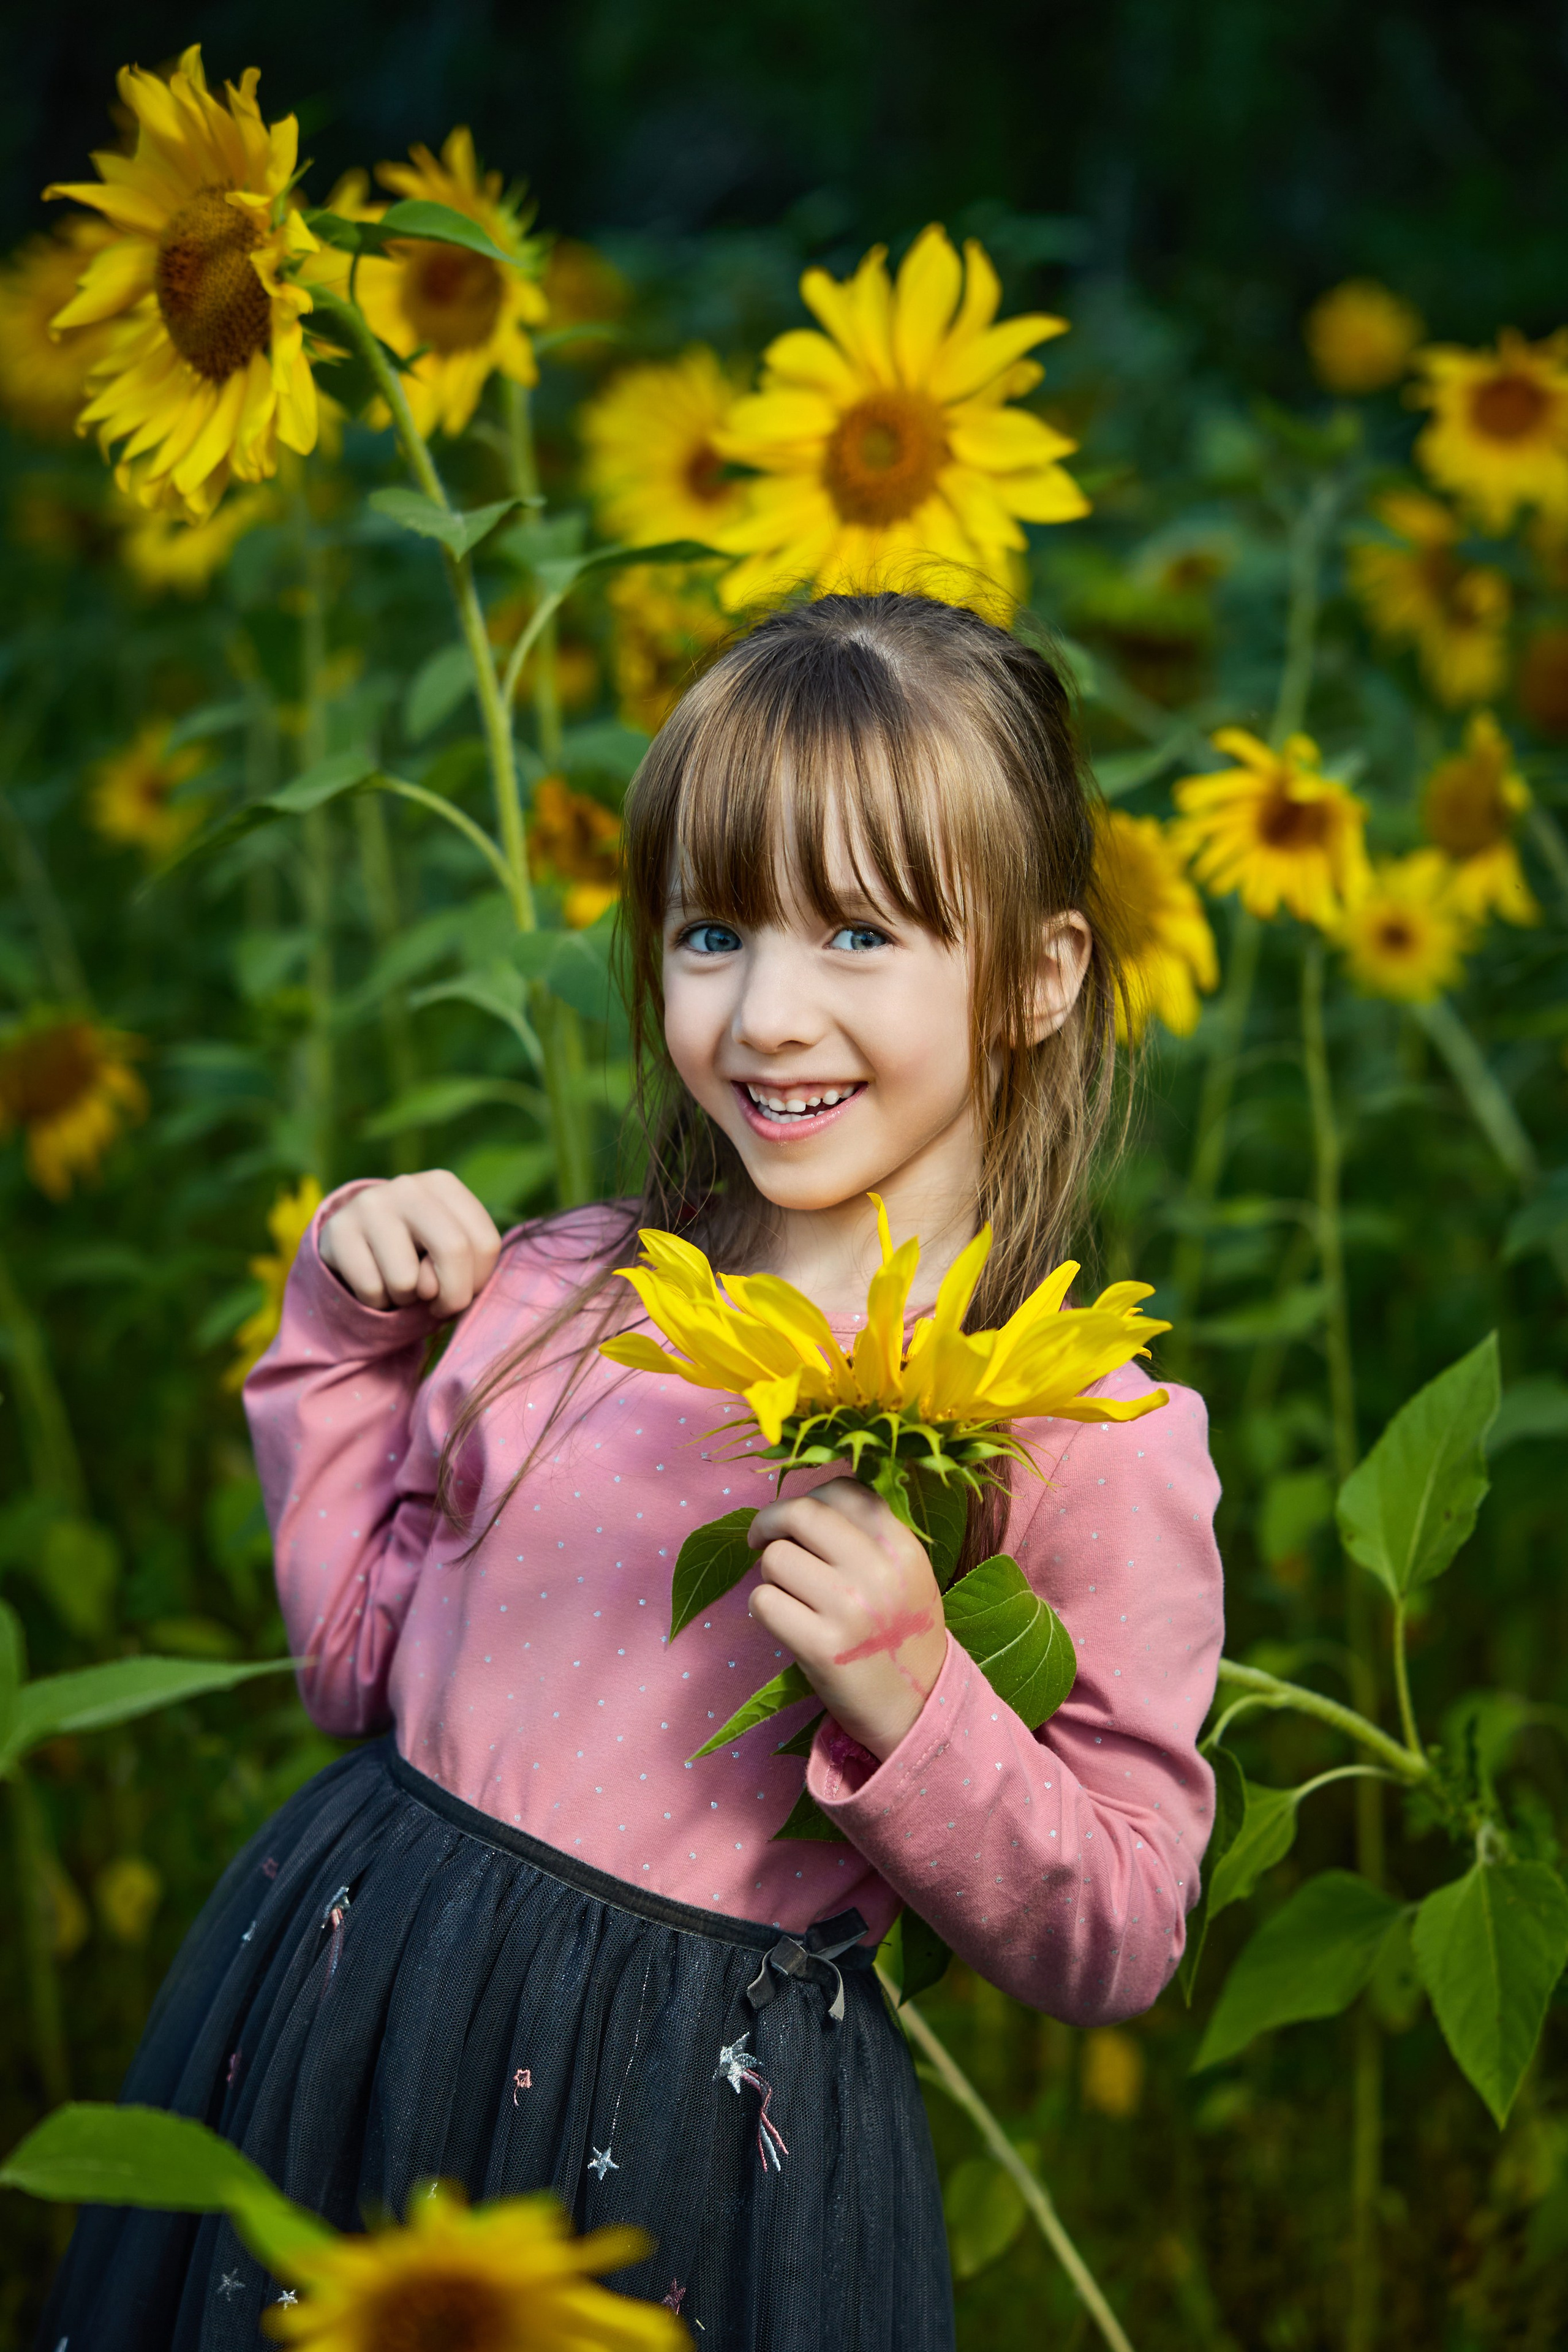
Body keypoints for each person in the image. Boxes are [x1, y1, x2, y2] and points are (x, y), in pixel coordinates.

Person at [40, 591, 1223, 2352]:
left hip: (685, 2142)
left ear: (1041, 976)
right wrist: (346, 1338)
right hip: (355, 2024)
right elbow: (351, 1666)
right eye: (712, 931)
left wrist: (920, 1697)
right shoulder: (562, 1295)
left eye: (859, 932)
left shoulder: (1075, 1429)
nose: (768, 1013)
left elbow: (1118, 1931)